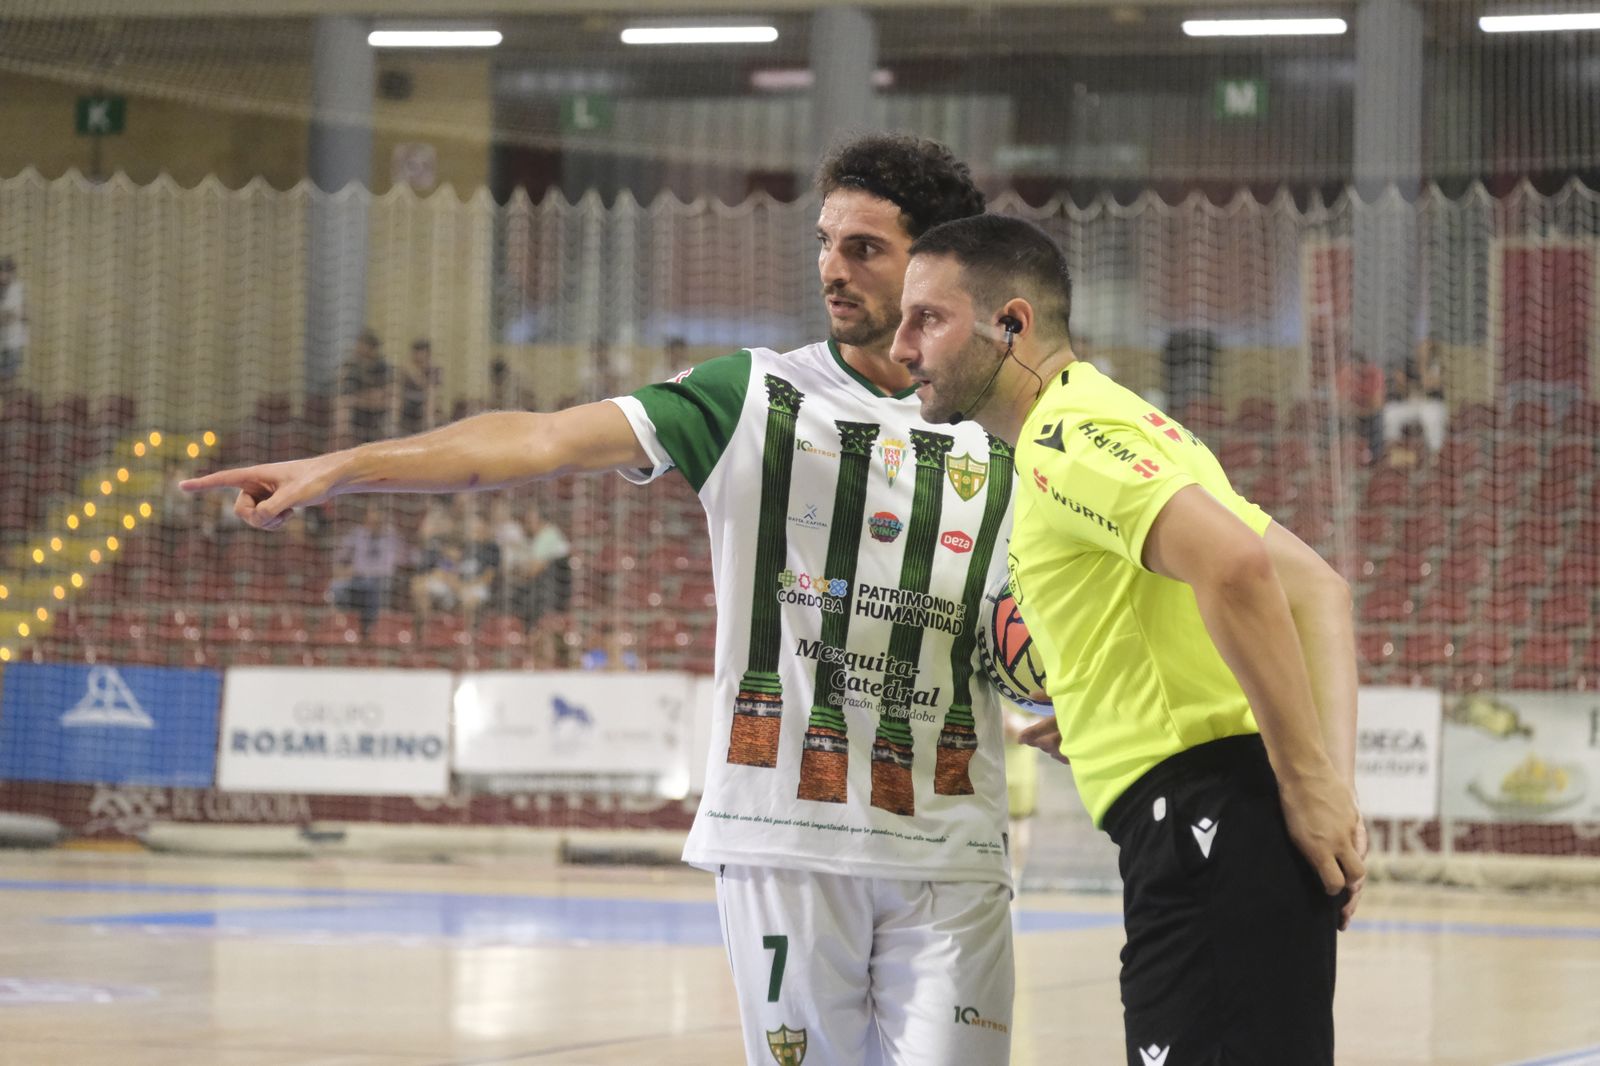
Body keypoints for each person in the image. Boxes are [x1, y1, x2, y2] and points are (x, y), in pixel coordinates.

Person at [184, 134, 1019, 1065]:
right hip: (786, 835)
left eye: (863, 248)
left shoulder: (1011, 425)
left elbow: (1053, 604)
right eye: (824, 241)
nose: (831, 267)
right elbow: (542, 439)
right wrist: (348, 467)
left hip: (952, 842)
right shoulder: (754, 394)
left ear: (939, 265)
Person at [889, 213, 1366, 1066]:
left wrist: (1312, 784)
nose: (902, 346)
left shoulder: (1064, 442)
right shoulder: (1118, 422)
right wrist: (1323, 792)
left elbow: (1240, 572)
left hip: (1202, 822)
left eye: (928, 317)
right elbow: (1319, 592)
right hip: (1228, 819)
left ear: (1011, 325)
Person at [328, 503, 407, 633]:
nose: (374, 523)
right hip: (358, 580)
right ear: (366, 519)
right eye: (371, 519)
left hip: (383, 582)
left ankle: (369, 630)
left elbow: (402, 561)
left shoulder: (391, 536)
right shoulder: (357, 534)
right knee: (336, 587)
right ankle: (342, 628)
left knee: (372, 587)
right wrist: (344, 570)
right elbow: (339, 558)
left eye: (377, 519)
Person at [1381, 338, 1446, 454]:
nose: (1421, 350)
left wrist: (1421, 366)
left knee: (1429, 416)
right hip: (1411, 403)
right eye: (1420, 347)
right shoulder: (1408, 363)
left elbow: (1428, 384)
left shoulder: (1436, 365)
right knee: (1389, 412)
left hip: (1431, 404)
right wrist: (1404, 384)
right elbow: (1400, 387)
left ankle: (1435, 452)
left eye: (1425, 348)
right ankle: (1394, 449)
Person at [336, 328, 394, 444]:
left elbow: (385, 394)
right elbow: (345, 394)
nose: (358, 347)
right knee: (343, 405)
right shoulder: (351, 366)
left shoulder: (383, 367)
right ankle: (344, 439)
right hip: (357, 410)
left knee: (387, 400)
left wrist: (366, 398)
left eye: (362, 345)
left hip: (379, 409)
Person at [1335, 350, 1386, 464]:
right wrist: (1352, 410)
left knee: (1378, 418)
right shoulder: (1345, 374)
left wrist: (1360, 410)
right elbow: (1341, 404)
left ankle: (1374, 457)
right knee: (1335, 420)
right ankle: (1339, 456)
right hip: (1350, 415)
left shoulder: (1375, 374)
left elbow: (1377, 405)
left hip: (1369, 415)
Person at [399, 338, 444, 435]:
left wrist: (415, 373)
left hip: (425, 400)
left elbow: (430, 389)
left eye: (420, 353)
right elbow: (399, 387)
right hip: (408, 401)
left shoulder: (434, 369)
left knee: (431, 401)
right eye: (415, 353)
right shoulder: (405, 369)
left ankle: (428, 427)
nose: (417, 356)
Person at [0, 255, 27, 391]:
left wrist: (8, 316)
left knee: (10, 375)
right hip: (3, 340)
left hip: (13, 339)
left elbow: (18, 314)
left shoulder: (16, 289)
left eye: (5, 272)